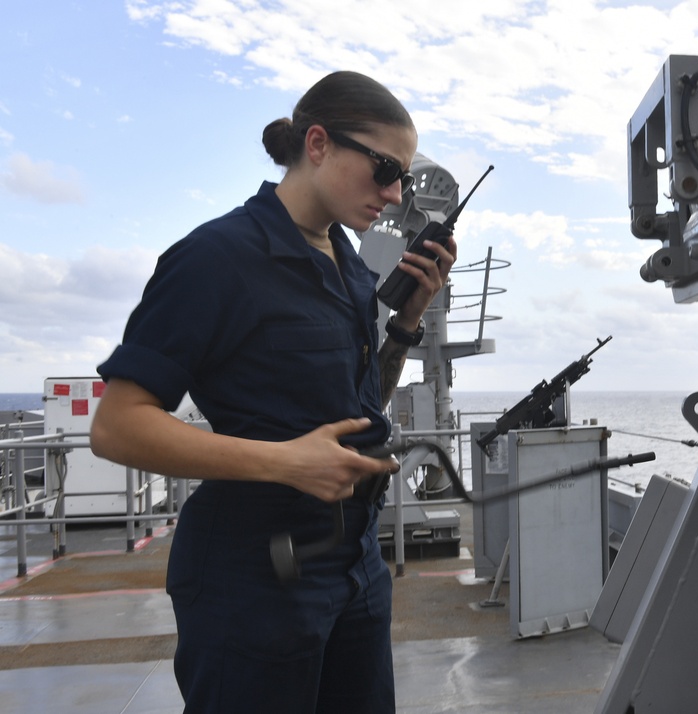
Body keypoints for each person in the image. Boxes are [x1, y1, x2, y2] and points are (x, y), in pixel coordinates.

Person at [90, 71, 456, 713]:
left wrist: (404, 322)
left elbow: (358, 400)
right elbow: (117, 426)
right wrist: (286, 462)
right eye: (383, 169)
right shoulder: (216, 257)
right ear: (318, 144)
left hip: (355, 560)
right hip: (254, 573)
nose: (395, 194)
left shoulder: (346, 264)